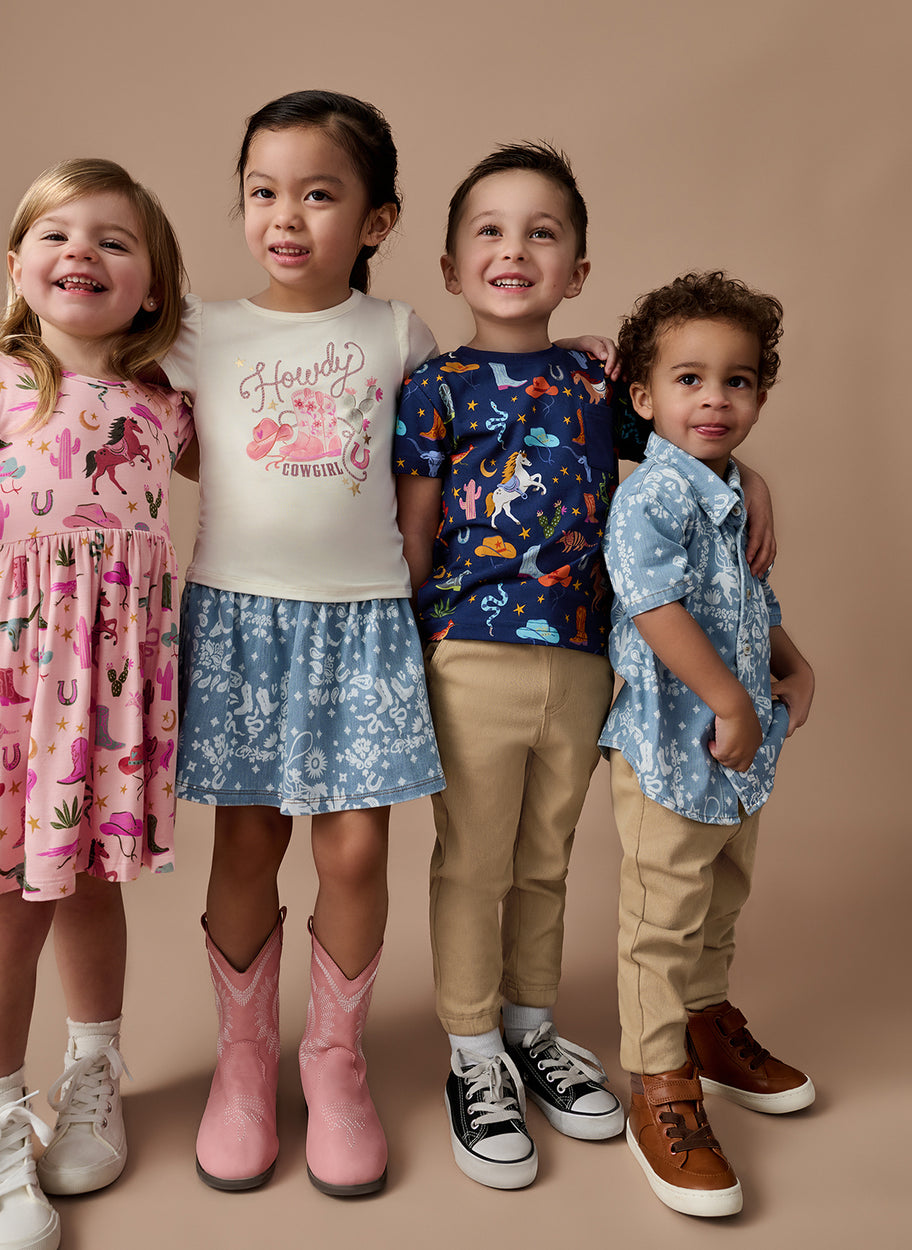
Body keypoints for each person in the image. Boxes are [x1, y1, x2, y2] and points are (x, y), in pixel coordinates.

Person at [394, 146, 776, 1191]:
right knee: (472, 857)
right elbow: (415, 530)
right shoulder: (434, 387)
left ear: (578, 266)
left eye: (541, 231)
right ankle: (472, 1052)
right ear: (448, 262)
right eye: (489, 230)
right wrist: (405, 641)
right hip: (467, 653)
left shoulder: (596, 380)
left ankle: (530, 1025)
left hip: (582, 657)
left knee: (546, 855)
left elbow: (684, 446)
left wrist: (759, 481)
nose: (513, 249)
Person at [160, 89, 448, 1199]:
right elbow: (109, 390)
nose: (287, 215)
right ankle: (245, 1060)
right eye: (264, 191)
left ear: (374, 221)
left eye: (319, 194)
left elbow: (453, 439)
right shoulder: (202, 332)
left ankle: (334, 1059)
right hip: (242, 619)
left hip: (364, 622)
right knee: (247, 845)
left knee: (356, 851)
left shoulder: (396, 331)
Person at [0, 158, 191, 1250]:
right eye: (58, 235)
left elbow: (291, 473)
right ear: (20, 270)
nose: (84, 252)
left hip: (115, 686)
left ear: (154, 288)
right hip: (16, 677)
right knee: (7, 904)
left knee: (89, 881)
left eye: (116, 241)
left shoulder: (169, 405)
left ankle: (92, 1072)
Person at [598, 271, 815, 1218]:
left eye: (735, 381)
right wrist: (731, 701)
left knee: (723, 891)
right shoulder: (651, 498)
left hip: (736, 754)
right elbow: (657, 609)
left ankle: (707, 1023)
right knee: (663, 912)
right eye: (689, 380)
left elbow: (746, 603)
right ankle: (656, 1081)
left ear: (759, 396)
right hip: (670, 747)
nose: (714, 399)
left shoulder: (732, 494)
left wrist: (791, 664)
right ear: (644, 397)